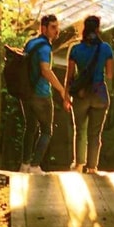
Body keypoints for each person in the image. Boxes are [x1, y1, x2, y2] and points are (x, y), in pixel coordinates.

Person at [19, 14, 72, 174]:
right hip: (41, 94)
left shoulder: (30, 44)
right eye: (53, 27)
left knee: (30, 128)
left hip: (26, 93)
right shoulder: (45, 48)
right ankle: (35, 165)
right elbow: (45, 70)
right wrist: (62, 90)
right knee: (47, 131)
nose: (57, 31)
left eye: (57, 27)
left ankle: (24, 164)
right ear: (43, 28)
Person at [65, 15, 114, 174]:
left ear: (84, 29)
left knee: (80, 131)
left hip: (81, 94)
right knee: (95, 133)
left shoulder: (75, 49)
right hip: (99, 93)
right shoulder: (105, 48)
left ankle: (79, 165)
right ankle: (92, 168)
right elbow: (110, 74)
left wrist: (66, 95)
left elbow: (70, 75)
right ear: (98, 29)